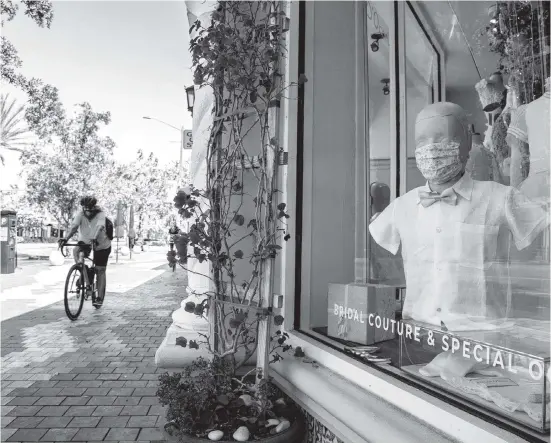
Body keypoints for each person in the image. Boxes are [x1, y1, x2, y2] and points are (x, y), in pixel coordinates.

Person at [60, 196, 112, 307]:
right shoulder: (81, 214)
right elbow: (74, 227)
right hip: (85, 241)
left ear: (94, 207)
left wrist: (94, 237)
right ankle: (85, 273)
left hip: (101, 244)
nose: (88, 212)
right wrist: (66, 239)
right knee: (76, 251)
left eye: (90, 209)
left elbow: (100, 226)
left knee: (100, 270)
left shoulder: (100, 214)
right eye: (86, 209)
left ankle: (99, 298)